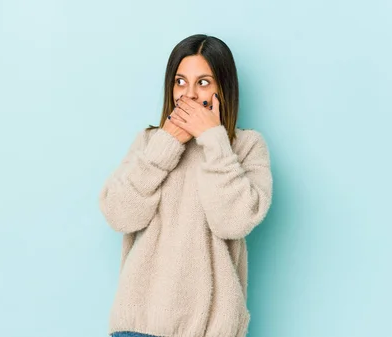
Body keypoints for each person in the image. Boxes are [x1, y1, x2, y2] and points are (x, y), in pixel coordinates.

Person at [99, 34, 273, 337]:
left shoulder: (246, 147)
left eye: (203, 82)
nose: (189, 95)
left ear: (223, 88)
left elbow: (233, 222)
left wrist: (214, 140)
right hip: (140, 328)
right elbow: (119, 213)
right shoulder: (148, 142)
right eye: (180, 82)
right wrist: (165, 145)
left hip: (211, 330)